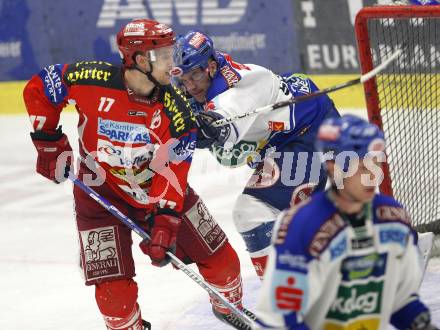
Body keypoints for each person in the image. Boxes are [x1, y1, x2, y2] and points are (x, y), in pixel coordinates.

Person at [23, 19, 253, 330]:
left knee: (224, 266)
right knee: (114, 300)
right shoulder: (91, 78)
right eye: (165, 55)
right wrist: (47, 140)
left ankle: (229, 307)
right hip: (99, 197)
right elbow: (42, 85)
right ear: (140, 60)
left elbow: (173, 169)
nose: (173, 65)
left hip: (157, 194)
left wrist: (164, 222)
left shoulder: (176, 109)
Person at [171, 31, 340, 280]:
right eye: (183, 79)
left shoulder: (238, 91)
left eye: (195, 75)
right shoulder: (204, 81)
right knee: (289, 219)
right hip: (280, 137)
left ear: (211, 66)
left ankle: (283, 296)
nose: (190, 86)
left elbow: (217, 128)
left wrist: (192, 128)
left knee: (251, 212)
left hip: (310, 134)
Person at [254, 114, 438, 329]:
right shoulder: (301, 225)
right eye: (363, 167)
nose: (374, 175)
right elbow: (280, 318)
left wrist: (420, 323)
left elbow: (399, 298)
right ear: (334, 168)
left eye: (376, 163)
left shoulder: (393, 218)